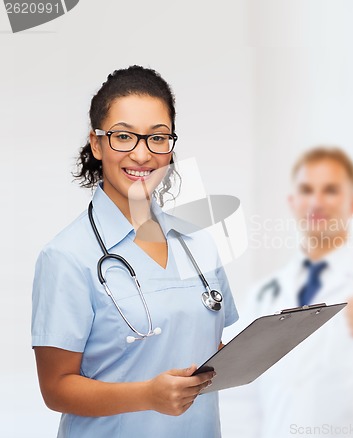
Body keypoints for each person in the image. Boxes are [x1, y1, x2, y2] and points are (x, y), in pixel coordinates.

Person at [31, 65, 239, 438]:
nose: (142, 155)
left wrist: (263, 346)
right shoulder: (66, 257)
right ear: (96, 144)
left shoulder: (198, 244)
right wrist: (147, 395)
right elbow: (56, 387)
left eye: (157, 138)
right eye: (124, 136)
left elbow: (206, 345)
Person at [225, 147, 353, 438]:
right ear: (293, 202)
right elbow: (239, 393)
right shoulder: (263, 293)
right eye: (306, 190)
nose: (316, 201)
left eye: (330, 190)